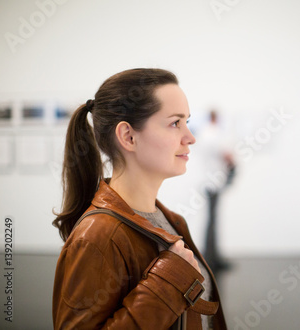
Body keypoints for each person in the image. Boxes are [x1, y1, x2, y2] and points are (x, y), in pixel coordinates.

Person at [52, 68, 227, 329]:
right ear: (128, 136)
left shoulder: (172, 221)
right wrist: (166, 283)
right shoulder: (96, 237)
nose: (190, 138)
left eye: (187, 122)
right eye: (174, 123)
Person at [196, 110, 235, 273]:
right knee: (212, 221)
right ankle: (211, 258)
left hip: (208, 181)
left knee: (211, 220)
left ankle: (211, 256)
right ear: (216, 118)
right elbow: (227, 155)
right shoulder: (214, 134)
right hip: (214, 182)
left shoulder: (204, 134)